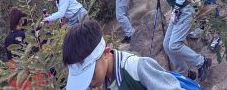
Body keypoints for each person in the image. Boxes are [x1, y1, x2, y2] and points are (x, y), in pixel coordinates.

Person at [62, 19, 190, 90]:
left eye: (90, 74)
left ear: (105, 53)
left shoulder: (136, 67)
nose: (89, 83)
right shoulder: (107, 78)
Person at [138, 0, 212, 82]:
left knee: (174, 45)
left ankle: (202, 62)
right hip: (179, 12)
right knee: (167, 45)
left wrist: (176, 9)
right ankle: (185, 73)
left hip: (185, 11)